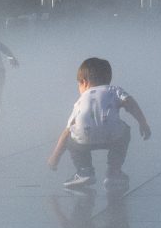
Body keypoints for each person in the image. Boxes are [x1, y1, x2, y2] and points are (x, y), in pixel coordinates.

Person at [46, 56, 150, 190]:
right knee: (125, 131)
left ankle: (84, 171)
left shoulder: (80, 101)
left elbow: (66, 132)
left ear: (83, 82)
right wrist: (143, 123)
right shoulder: (114, 90)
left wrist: (54, 157)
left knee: (72, 139)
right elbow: (130, 103)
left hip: (85, 138)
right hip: (112, 135)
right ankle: (114, 171)